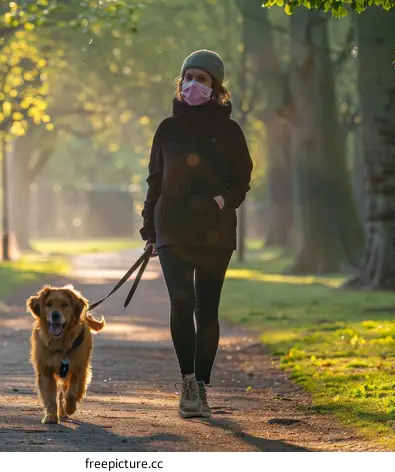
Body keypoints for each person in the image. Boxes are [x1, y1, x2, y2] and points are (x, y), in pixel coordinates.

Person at [140, 50, 253, 419]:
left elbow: (242, 181)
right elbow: (155, 180)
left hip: (215, 232)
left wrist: (221, 201)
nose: (193, 85)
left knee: (207, 308)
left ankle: (202, 384)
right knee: (181, 303)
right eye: (188, 77)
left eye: (202, 79)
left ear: (216, 88)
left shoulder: (230, 132)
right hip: (171, 228)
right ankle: (187, 383)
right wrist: (148, 228)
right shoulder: (167, 129)